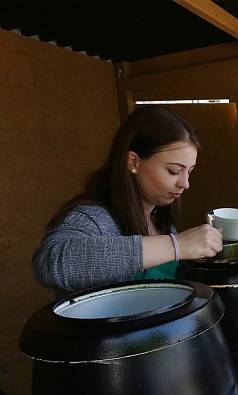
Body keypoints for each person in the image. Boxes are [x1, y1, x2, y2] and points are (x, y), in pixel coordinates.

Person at [33, 106, 223, 293]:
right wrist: (176, 245)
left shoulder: (162, 221)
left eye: (189, 172)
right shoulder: (94, 219)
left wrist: (215, 245)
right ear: (133, 162)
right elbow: (50, 263)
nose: (185, 183)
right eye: (173, 171)